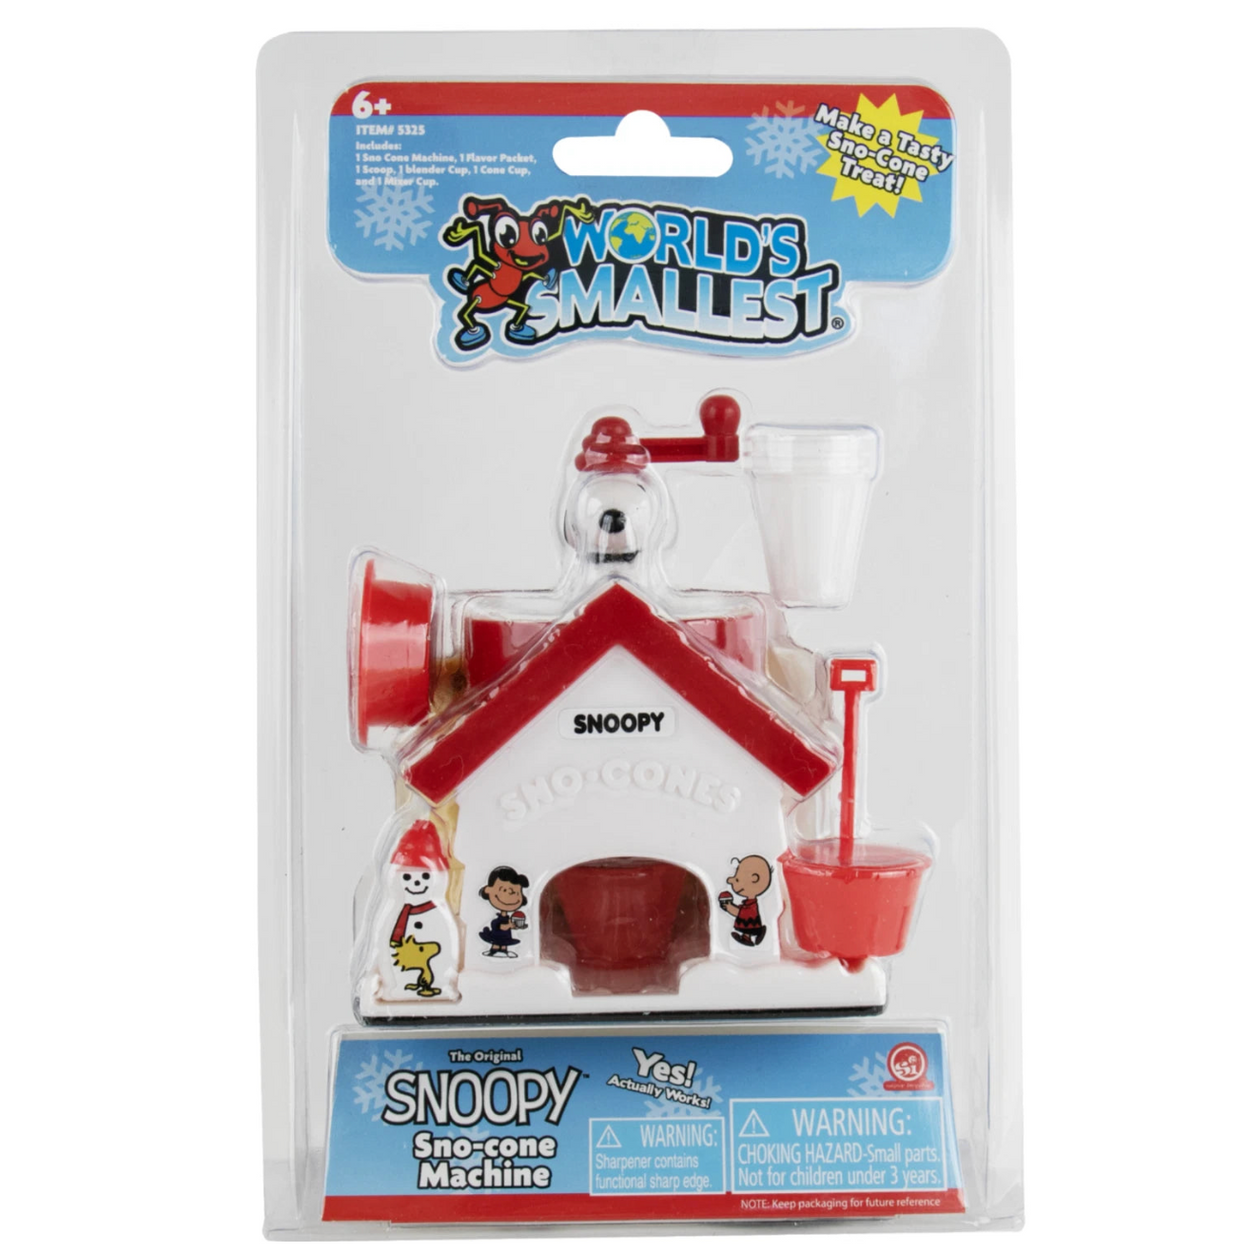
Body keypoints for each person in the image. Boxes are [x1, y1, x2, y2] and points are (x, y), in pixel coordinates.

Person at [720, 855, 772, 946]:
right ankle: (757, 932)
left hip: (749, 922)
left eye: (737, 880)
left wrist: (730, 908)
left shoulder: (751, 905)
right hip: (751, 922)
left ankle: (749, 936)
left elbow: (740, 913)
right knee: (750, 927)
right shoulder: (751, 903)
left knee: (748, 928)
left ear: (754, 879)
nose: (731, 881)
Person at [479, 865, 529, 958]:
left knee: (504, 944)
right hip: (497, 935)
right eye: (504, 890)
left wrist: (514, 926)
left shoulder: (509, 918)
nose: (511, 896)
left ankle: (503, 951)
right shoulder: (499, 919)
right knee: (497, 943)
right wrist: (509, 926)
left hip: (505, 936)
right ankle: (493, 951)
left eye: (517, 893)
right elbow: (499, 926)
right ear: (488, 890)